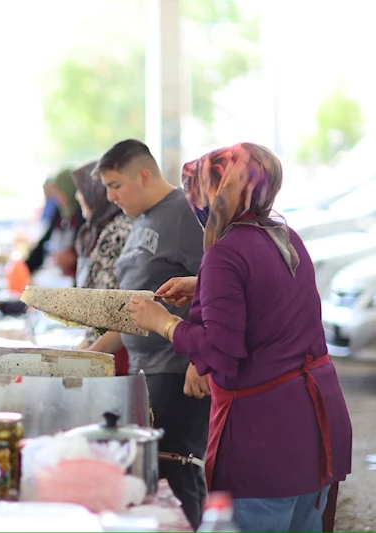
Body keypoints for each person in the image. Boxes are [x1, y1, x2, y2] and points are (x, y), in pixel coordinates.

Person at [126, 143, 353, 532]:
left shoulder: (224, 253)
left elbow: (220, 352)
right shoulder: (285, 236)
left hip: (265, 441)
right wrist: (203, 285)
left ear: (215, 195)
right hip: (315, 431)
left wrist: (162, 322)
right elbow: (266, 294)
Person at [87, 139, 209, 529]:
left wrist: (201, 358)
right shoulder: (140, 219)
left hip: (176, 370)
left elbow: (216, 289)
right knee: (154, 481)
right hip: (144, 371)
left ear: (143, 176)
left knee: (179, 477)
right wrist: (89, 354)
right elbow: (133, 312)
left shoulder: (185, 215)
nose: (110, 196)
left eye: (116, 186)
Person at [70, 161, 133, 376]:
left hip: (113, 351)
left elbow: (106, 308)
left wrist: (85, 353)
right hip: (107, 346)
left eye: (81, 190)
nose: (77, 196)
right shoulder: (99, 229)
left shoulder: (116, 232)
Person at [26, 168, 85, 281]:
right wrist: (27, 266)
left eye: (59, 191)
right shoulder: (60, 212)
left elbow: (82, 252)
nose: (56, 196)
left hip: (76, 279)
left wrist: (72, 257)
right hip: (57, 277)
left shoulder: (83, 214)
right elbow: (44, 242)